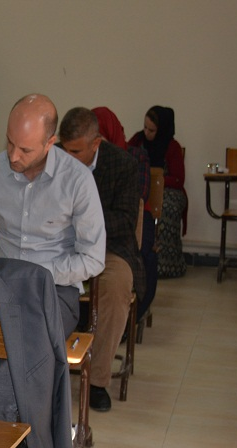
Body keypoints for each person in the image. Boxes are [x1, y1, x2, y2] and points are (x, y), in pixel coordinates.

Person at [0, 94, 105, 338]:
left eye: (25, 150)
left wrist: (40, 272)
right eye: (10, 143)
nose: (13, 156)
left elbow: (93, 259)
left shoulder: (77, 181)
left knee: (24, 337)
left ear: (50, 143)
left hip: (54, 290)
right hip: (2, 284)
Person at [59, 107, 144, 412]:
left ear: (96, 144)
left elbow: (125, 221)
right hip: (62, 245)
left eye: (76, 151)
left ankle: (96, 380)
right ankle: (42, 368)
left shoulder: (123, 165)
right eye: (64, 149)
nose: (67, 157)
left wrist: (86, 219)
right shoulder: (53, 161)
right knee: (29, 275)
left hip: (110, 248)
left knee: (116, 287)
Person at [93, 107, 157, 321]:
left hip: (135, 215)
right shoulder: (83, 160)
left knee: (142, 254)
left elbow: (140, 195)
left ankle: (132, 315)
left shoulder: (133, 157)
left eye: (100, 138)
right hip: (103, 222)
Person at [128, 106, 187, 278]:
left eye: (151, 130)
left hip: (168, 190)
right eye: (145, 127)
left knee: (166, 208)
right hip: (142, 187)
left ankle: (167, 265)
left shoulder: (172, 147)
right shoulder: (138, 140)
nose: (146, 133)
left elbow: (178, 179)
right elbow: (125, 158)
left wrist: (156, 180)